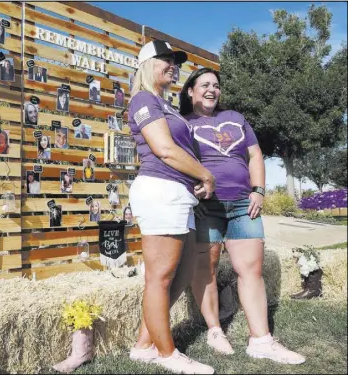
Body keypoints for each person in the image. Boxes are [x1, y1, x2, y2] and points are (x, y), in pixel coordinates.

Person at [180, 67, 305, 364]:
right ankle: (214, 329)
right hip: (205, 206)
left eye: (216, 85)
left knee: (250, 268)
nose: (212, 89)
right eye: (205, 84)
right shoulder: (182, 123)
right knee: (206, 266)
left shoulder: (235, 119)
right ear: (190, 90)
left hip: (241, 205)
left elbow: (255, 155)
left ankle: (260, 340)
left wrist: (258, 190)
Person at [127, 40, 216, 374]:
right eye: (165, 59)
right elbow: (164, 149)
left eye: (175, 61)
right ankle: (168, 355)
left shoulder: (167, 105)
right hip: (160, 190)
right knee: (160, 279)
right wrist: (207, 176)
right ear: (148, 64)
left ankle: (143, 346)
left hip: (179, 195)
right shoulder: (143, 99)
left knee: (180, 276)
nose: (173, 64)